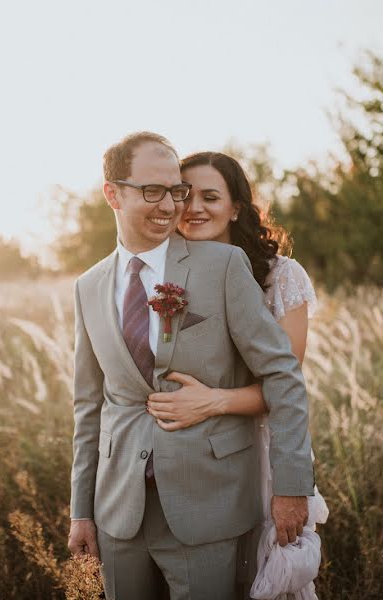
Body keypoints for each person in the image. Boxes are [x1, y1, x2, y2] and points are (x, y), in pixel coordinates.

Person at [67, 132, 314, 600]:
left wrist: (292, 486)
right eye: (152, 191)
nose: (169, 205)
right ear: (112, 193)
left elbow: (283, 373)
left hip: (208, 503)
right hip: (118, 509)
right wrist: (82, 510)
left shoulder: (221, 265)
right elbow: (88, 406)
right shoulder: (88, 286)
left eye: (173, 190)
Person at [146, 151, 327, 597]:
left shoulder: (280, 276)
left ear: (236, 208)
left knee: (261, 577)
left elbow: (284, 383)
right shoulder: (161, 275)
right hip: (188, 458)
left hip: (260, 449)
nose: (195, 208)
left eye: (211, 196)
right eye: (185, 195)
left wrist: (213, 401)